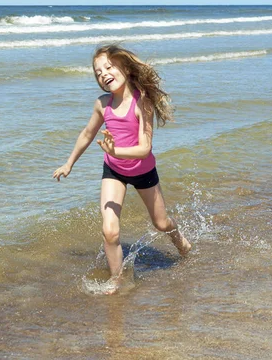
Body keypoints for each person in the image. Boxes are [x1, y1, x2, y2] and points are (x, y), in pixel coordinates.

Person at [53, 44, 191, 294]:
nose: (103, 74)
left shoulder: (143, 103)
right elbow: (87, 134)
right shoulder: (102, 104)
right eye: (97, 72)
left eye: (108, 67)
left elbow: (144, 148)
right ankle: (118, 279)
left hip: (143, 172)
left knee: (160, 223)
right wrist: (69, 162)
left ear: (125, 68)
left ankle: (180, 241)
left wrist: (115, 151)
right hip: (114, 171)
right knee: (110, 230)